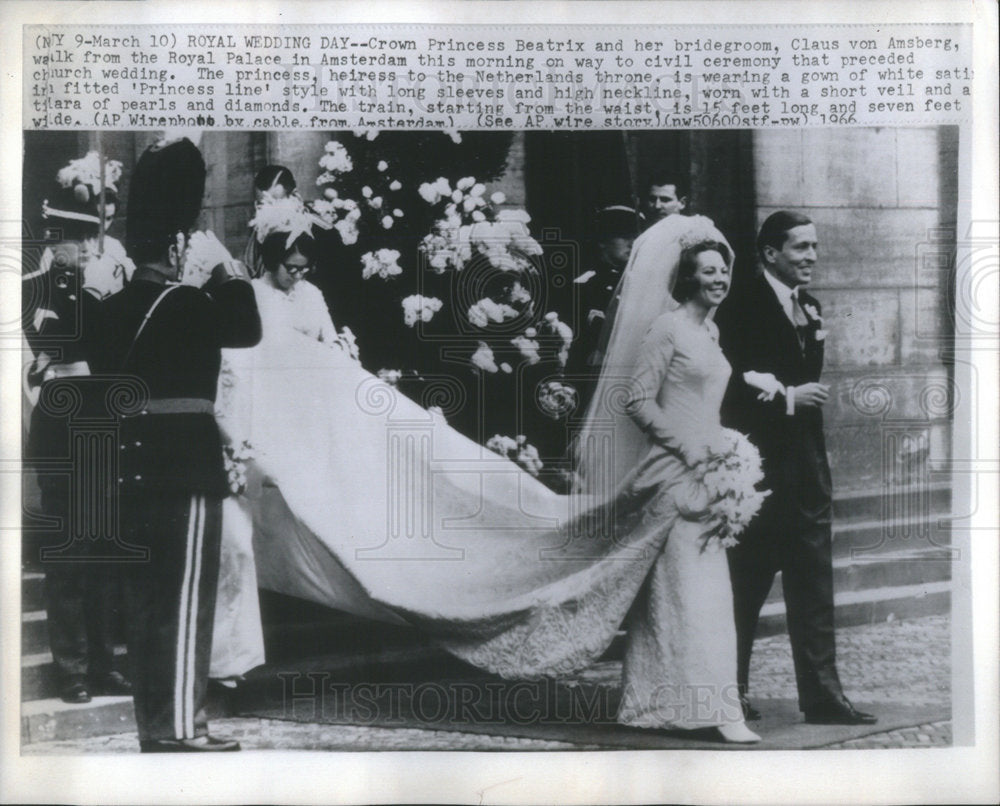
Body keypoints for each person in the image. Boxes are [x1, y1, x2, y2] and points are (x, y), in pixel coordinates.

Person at [212, 206, 766, 742]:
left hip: (697, 473)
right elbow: (640, 403)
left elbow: (332, 348)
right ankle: (672, 701)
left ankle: (683, 699)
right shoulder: (253, 299)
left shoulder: (709, 335)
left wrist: (724, 448)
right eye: (291, 261)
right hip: (290, 416)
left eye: (305, 263)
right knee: (684, 586)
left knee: (694, 585)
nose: (299, 272)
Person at [94, 137, 261, 752]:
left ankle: (154, 728)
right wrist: (221, 264)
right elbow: (248, 326)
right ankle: (182, 729)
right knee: (187, 602)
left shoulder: (109, 310)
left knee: (147, 609)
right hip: (185, 468)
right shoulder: (191, 302)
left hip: (130, 469)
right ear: (174, 244)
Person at [714, 210, 877, 726]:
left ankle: (824, 696)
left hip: (806, 471)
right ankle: (729, 691)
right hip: (755, 474)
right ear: (769, 253)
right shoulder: (737, 305)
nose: (811, 257)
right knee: (743, 589)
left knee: (813, 589)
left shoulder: (810, 305)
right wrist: (784, 398)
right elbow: (721, 381)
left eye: (814, 247)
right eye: (800, 247)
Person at [22, 152, 134, 704]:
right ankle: (71, 669)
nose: (85, 249)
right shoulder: (36, 287)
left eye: (90, 239)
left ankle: (104, 661)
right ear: (55, 236)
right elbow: (50, 348)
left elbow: (115, 351)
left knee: (104, 555)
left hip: (103, 426)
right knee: (69, 558)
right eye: (75, 238)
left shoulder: (103, 281)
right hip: (63, 429)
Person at [566, 205, 639, 411]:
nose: (632, 243)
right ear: (603, 241)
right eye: (623, 236)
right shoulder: (583, 285)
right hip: (591, 379)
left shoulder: (641, 284)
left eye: (635, 237)